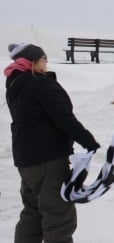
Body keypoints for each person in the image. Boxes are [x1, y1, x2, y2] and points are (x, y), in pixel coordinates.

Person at [5, 43, 101, 243]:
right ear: (33, 61)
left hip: (26, 161)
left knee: (32, 213)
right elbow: (63, 117)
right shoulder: (40, 83)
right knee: (58, 216)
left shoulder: (15, 84)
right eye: (42, 58)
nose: (46, 62)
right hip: (48, 159)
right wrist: (88, 140)